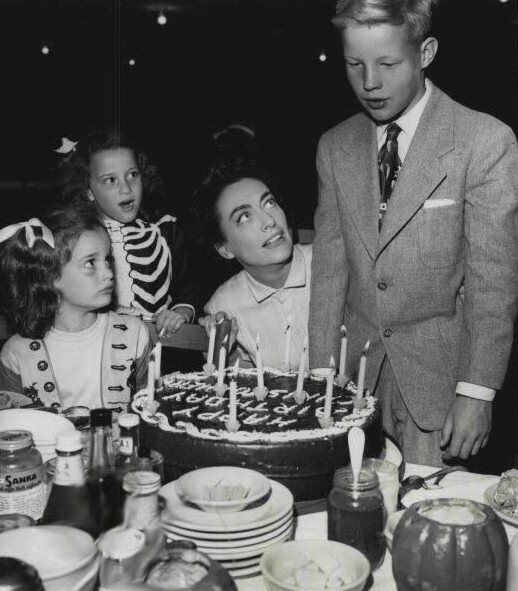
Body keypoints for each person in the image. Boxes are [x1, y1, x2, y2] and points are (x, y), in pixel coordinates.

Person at [308, 0, 518, 466]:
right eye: (354, 64)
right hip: (354, 390)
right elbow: (328, 275)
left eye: (388, 63)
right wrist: (321, 381)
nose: (369, 83)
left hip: (441, 396)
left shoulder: (485, 142)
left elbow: (493, 282)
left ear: (425, 52)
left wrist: (477, 391)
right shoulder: (334, 147)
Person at [0, 202, 152, 412]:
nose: (108, 273)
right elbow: (13, 430)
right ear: (50, 275)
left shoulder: (134, 335)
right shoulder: (16, 355)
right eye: (90, 263)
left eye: (107, 260)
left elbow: (148, 412)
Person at [54, 128, 199, 338]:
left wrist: (182, 310)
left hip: (167, 349)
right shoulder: (76, 240)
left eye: (132, 175)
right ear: (88, 191)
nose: (126, 189)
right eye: (110, 180)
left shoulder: (167, 230)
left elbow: (191, 283)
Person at [193, 158, 311, 369]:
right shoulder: (224, 306)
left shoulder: (330, 262)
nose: (269, 221)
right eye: (245, 216)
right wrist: (223, 356)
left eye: (269, 203)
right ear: (224, 248)